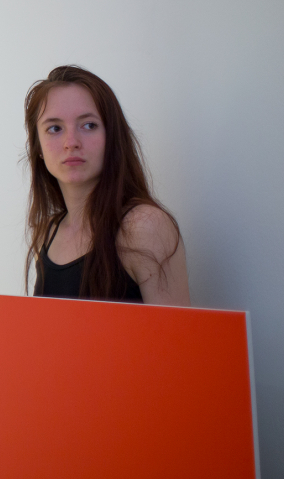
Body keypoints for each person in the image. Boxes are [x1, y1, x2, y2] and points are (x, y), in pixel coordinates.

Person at [24, 66, 190, 306]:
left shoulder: (144, 226)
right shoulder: (47, 233)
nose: (71, 142)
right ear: (38, 147)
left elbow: (177, 331)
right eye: (55, 128)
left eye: (88, 125)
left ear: (112, 137)